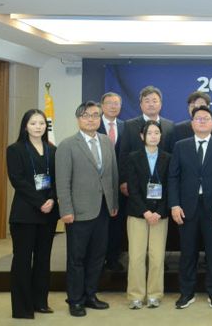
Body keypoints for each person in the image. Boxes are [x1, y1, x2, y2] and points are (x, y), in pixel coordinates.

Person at [56, 101, 119, 317]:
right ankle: (75, 300)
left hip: (103, 209)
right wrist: (66, 209)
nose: (91, 119)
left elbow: (113, 175)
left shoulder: (106, 142)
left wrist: (113, 203)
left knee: (97, 256)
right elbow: (62, 182)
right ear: (78, 119)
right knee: (77, 258)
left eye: (95, 115)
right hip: (78, 212)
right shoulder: (67, 145)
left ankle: (91, 295)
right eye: (85, 115)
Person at [168, 105, 212, 310]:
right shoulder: (181, 146)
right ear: (192, 123)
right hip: (187, 208)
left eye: (206, 118)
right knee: (188, 253)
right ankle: (186, 293)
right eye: (198, 119)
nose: (202, 121)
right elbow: (173, 177)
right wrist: (174, 204)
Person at [6, 109, 59, 319]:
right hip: (25, 214)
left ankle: (40, 302)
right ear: (25, 126)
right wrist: (40, 202)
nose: (38, 127)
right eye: (33, 123)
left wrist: (52, 199)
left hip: (48, 213)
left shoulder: (52, 150)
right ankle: (22, 308)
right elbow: (17, 180)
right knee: (22, 260)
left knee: (43, 260)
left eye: (41, 123)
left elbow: (58, 179)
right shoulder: (15, 149)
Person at [125, 121, 171, 309]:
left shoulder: (168, 158)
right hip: (138, 214)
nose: (153, 136)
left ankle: (154, 294)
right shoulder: (133, 157)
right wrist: (145, 211)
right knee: (136, 257)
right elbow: (132, 188)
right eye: (149, 133)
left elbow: (170, 188)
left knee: (157, 257)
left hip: (160, 215)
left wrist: (158, 212)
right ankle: (135, 295)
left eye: (157, 132)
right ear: (142, 136)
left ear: (161, 136)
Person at [98, 92, 126, 272]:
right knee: (100, 224)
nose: (113, 106)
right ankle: (98, 260)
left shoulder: (125, 126)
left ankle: (113, 258)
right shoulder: (94, 125)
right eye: (109, 103)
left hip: (119, 185)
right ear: (102, 106)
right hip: (98, 185)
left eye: (116, 103)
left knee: (117, 224)